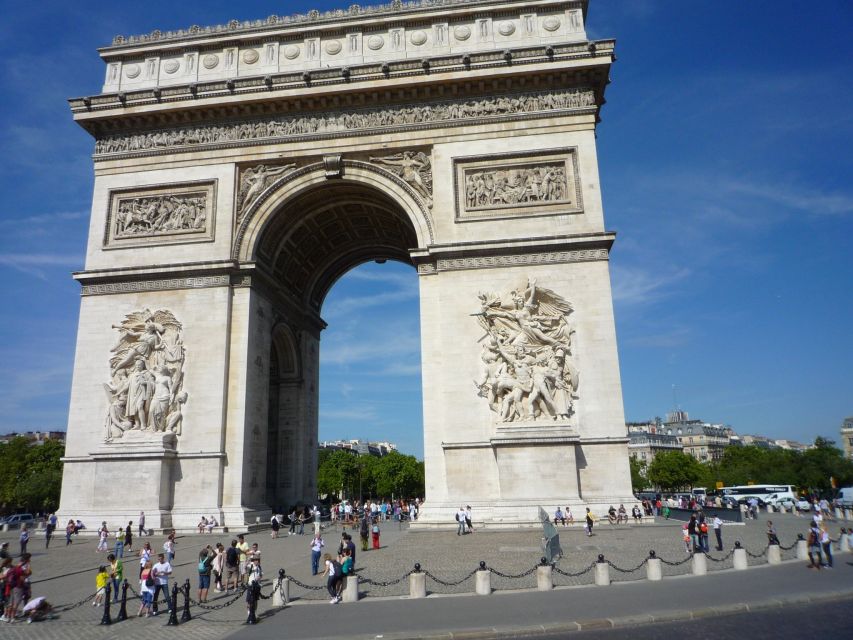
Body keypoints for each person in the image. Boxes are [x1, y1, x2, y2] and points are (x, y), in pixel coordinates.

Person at [3, 554, 31, 623]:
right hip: (18, 587)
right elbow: (25, 576)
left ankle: (8, 617)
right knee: (16, 603)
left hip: (11, 587)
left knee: (11, 603)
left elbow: (6, 576)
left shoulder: (13, 568)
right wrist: (28, 566)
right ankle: (12, 618)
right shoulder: (20, 569)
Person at [245, 556, 263, 623]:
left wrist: (259, 577)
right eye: (255, 560)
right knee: (249, 601)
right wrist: (247, 561)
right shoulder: (251, 566)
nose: (257, 561)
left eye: (258, 560)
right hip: (250, 586)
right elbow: (245, 568)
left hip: (257, 586)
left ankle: (254, 612)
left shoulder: (259, 567)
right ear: (253, 560)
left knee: (255, 600)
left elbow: (261, 575)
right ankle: (249, 613)